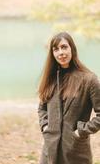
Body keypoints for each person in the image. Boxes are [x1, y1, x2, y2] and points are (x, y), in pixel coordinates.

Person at [38, 32, 100, 164]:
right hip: (49, 151)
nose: (61, 53)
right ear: (52, 53)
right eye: (56, 49)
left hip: (75, 151)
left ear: (72, 48)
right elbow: (42, 107)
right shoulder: (50, 78)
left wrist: (81, 131)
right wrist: (45, 126)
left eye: (64, 47)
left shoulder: (89, 80)